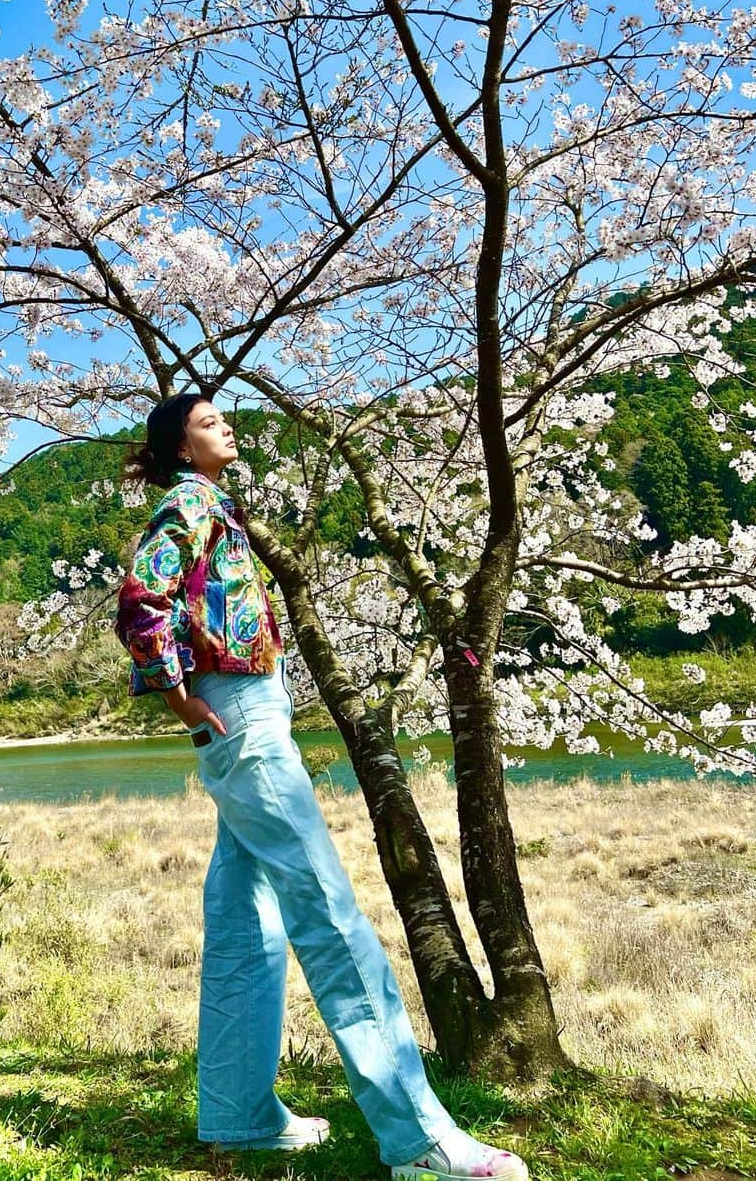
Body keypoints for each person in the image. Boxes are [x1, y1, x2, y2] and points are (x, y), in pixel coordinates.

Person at [114, 392, 528, 1181]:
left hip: (243, 707)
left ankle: (240, 1119)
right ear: (177, 448)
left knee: (246, 920)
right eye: (208, 422)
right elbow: (142, 598)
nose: (226, 425)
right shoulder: (189, 502)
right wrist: (177, 695)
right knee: (327, 911)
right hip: (237, 712)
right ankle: (417, 1139)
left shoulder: (210, 504)